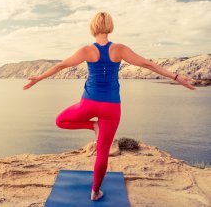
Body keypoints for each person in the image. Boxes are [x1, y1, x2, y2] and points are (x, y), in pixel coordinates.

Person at [22, 11, 196, 201]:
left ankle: (92, 126)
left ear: (92, 27)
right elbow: (147, 64)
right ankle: (95, 191)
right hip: (111, 108)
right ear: (110, 26)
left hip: (88, 104)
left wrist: (38, 78)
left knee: (61, 121)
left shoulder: (87, 50)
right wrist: (177, 77)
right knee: (102, 153)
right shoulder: (119, 49)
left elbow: (60, 66)